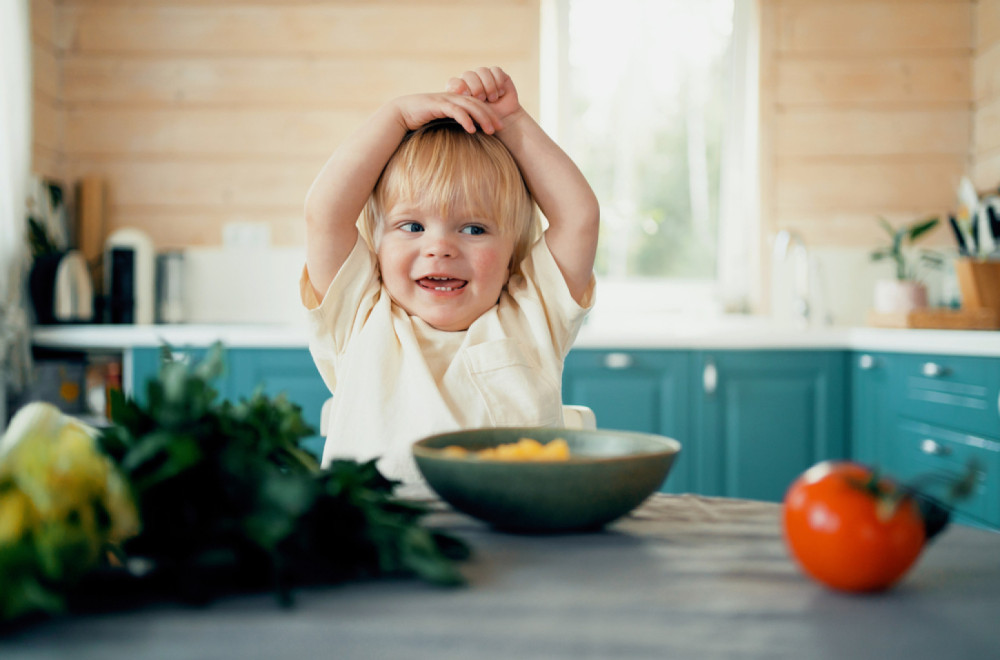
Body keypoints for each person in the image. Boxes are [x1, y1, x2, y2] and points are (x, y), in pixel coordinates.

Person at [300, 66, 599, 483]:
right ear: (378, 245)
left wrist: (510, 122)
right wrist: (395, 117)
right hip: (378, 543)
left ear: (512, 252)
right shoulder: (360, 318)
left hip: (513, 542)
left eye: (474, 229)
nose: (439, 247)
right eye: (413, 227)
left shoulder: (533, 317)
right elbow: (325, 215)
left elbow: (578, 217)